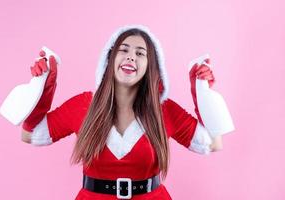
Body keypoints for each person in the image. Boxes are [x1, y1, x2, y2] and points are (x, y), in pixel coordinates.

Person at [21, 25, 225, 199]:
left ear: (151, 66)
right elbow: (31, 135)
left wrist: (201, 92)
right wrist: (43, 87)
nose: (130, 57)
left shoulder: (164, 110)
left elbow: (213, 143)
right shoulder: (83, 105)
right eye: (124, 50)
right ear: (109, 58)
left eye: (140, 53)